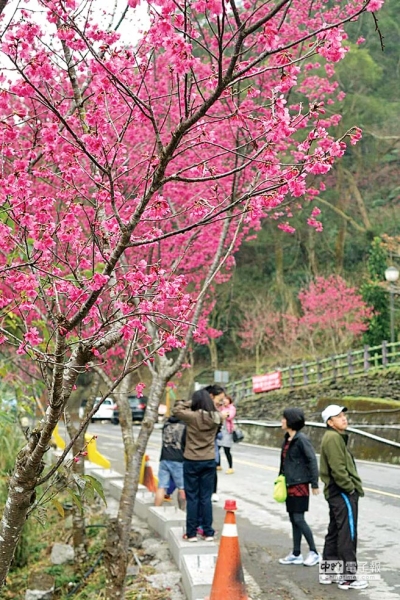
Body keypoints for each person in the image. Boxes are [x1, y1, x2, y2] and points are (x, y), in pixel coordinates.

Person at [319, 404, 368, 590]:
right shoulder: (333, 438)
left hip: (335, 492)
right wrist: (350, 488)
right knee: (348, 533)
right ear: (330, 422)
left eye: (343, 415)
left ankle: (329, 573)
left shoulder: (333, 437)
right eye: (338, 416)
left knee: (335, 531)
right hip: (341, 492)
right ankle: (348, 577)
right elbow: (338, 468)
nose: (344, 418)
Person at [172, 389, 222, 542]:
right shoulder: (217, 417)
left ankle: (191, 533)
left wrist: (191, 403)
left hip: (191, 460)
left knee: (192, 498)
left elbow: (176, 410)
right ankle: (208, 532)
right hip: (209, 460)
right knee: (205, 498)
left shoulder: (192, 417)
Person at [278, 407, 321, 567]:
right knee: (293, 519)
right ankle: (296, 553)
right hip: (288, 484)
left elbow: (312, 460)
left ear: (291, 421)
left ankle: (314, 552)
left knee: (299, 519)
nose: (281, 421)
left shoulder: (302, 439)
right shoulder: (287, 439)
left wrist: (314, 483)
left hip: (300, 484)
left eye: (284, 418)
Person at [154, 415, 186, 510]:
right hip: (178, 459)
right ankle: (182, 510)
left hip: (164, 457)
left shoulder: (166, 424)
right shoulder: (185, 425)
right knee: (182, 488)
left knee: (162, 486)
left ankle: (156, 509)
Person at [216, 394, 236, 474]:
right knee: (217, 448)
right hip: (220, 430)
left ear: (229, 401)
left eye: (226, 399)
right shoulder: (221, 408)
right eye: (224, 399)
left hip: (227, 431)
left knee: (227, 450)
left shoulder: (232, 408)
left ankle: (230, 467)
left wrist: (223, 415)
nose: (225, 401)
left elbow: (230, 417)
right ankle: (218, 465)